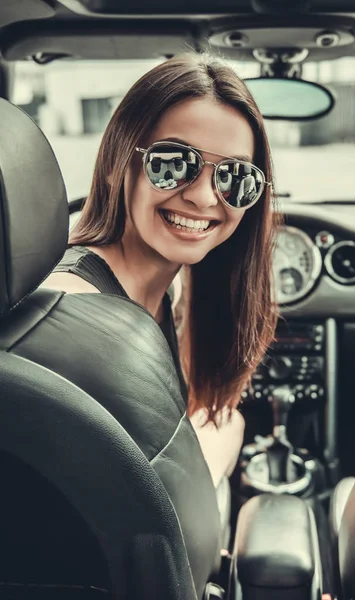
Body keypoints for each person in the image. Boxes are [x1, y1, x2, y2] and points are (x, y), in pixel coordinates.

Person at [41, 52, 278, 488]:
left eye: (235, 176)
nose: (205, 198)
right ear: (117, 164)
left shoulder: (160, 296)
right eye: (174, 163)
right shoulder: (74, 310)